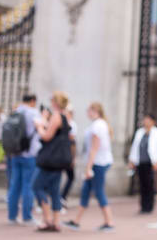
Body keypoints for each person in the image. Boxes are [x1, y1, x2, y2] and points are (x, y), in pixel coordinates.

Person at [63, 102, 114, 232]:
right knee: (86, 191)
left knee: (99, 191)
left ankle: (109, 221)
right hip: (97, 162)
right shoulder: (98, 124)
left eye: (88, 110)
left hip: (98, 163)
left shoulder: (98, 126)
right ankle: (76, 221)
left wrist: (88, 168)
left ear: (94, 110)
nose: (87, 113)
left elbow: (94, 149)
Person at [32, 91, 71, 232]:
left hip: (50, 160)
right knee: (54, 191)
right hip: (59, 160)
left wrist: (39, 126)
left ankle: (47, 219)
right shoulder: (65, 116)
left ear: (55, 102)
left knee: (37, 186)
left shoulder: (56, 116)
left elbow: (47, 136)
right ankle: (56, 221)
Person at [7, 94, 41, 225]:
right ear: (33, 101)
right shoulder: (33, 112)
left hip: (15, 153)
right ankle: (27, 216)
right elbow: (40, 127)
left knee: (14, 184)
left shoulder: (16, 111)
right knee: (28, 185)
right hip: (29, 154)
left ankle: (12, 216)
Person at [128, 113, 157, 213]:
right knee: (142, 184)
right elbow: (135, 147)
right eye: (145, 119)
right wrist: (132, 160)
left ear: (153, 121)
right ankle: (143, 206)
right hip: (140, 162)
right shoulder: (140, 132)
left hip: (151, 162)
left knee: (149, 184)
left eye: (148, 120)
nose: (146, 122)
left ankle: (149, 206)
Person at [60, 106, 77, 208]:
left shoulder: (69, 124)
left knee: (69, 177)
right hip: (64, 154)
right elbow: (72, 142)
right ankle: (61, 198)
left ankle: (61, 197)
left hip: (63, 154)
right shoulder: (70, 124)